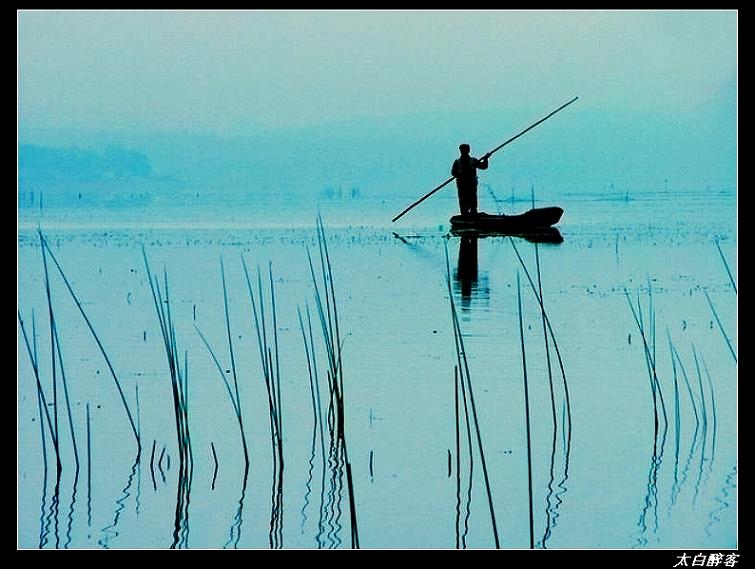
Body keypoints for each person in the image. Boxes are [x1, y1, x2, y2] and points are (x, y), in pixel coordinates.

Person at [451, 143, 490, 216]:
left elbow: (483, 166)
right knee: (463, 201)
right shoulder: (457, 162)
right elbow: (453, 173)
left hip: (472, 185)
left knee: (473, 200)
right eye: (463, 150)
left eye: (466, 150)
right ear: (460, 150)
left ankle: (473, 214)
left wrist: (486, 159)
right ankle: (465, 215)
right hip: (462, 185)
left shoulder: (473, 160)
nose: (464, 151)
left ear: (468, 150)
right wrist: (460, 173)